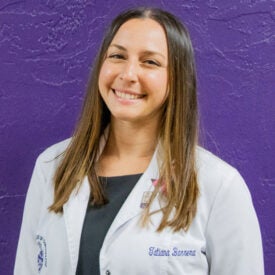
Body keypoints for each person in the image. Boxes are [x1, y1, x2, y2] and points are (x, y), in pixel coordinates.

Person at [14, 7, 264, 275]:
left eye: (150, 62)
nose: (128, 74)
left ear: (176, 79)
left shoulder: (219, 187)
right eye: (118, 56)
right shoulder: (52, 167)